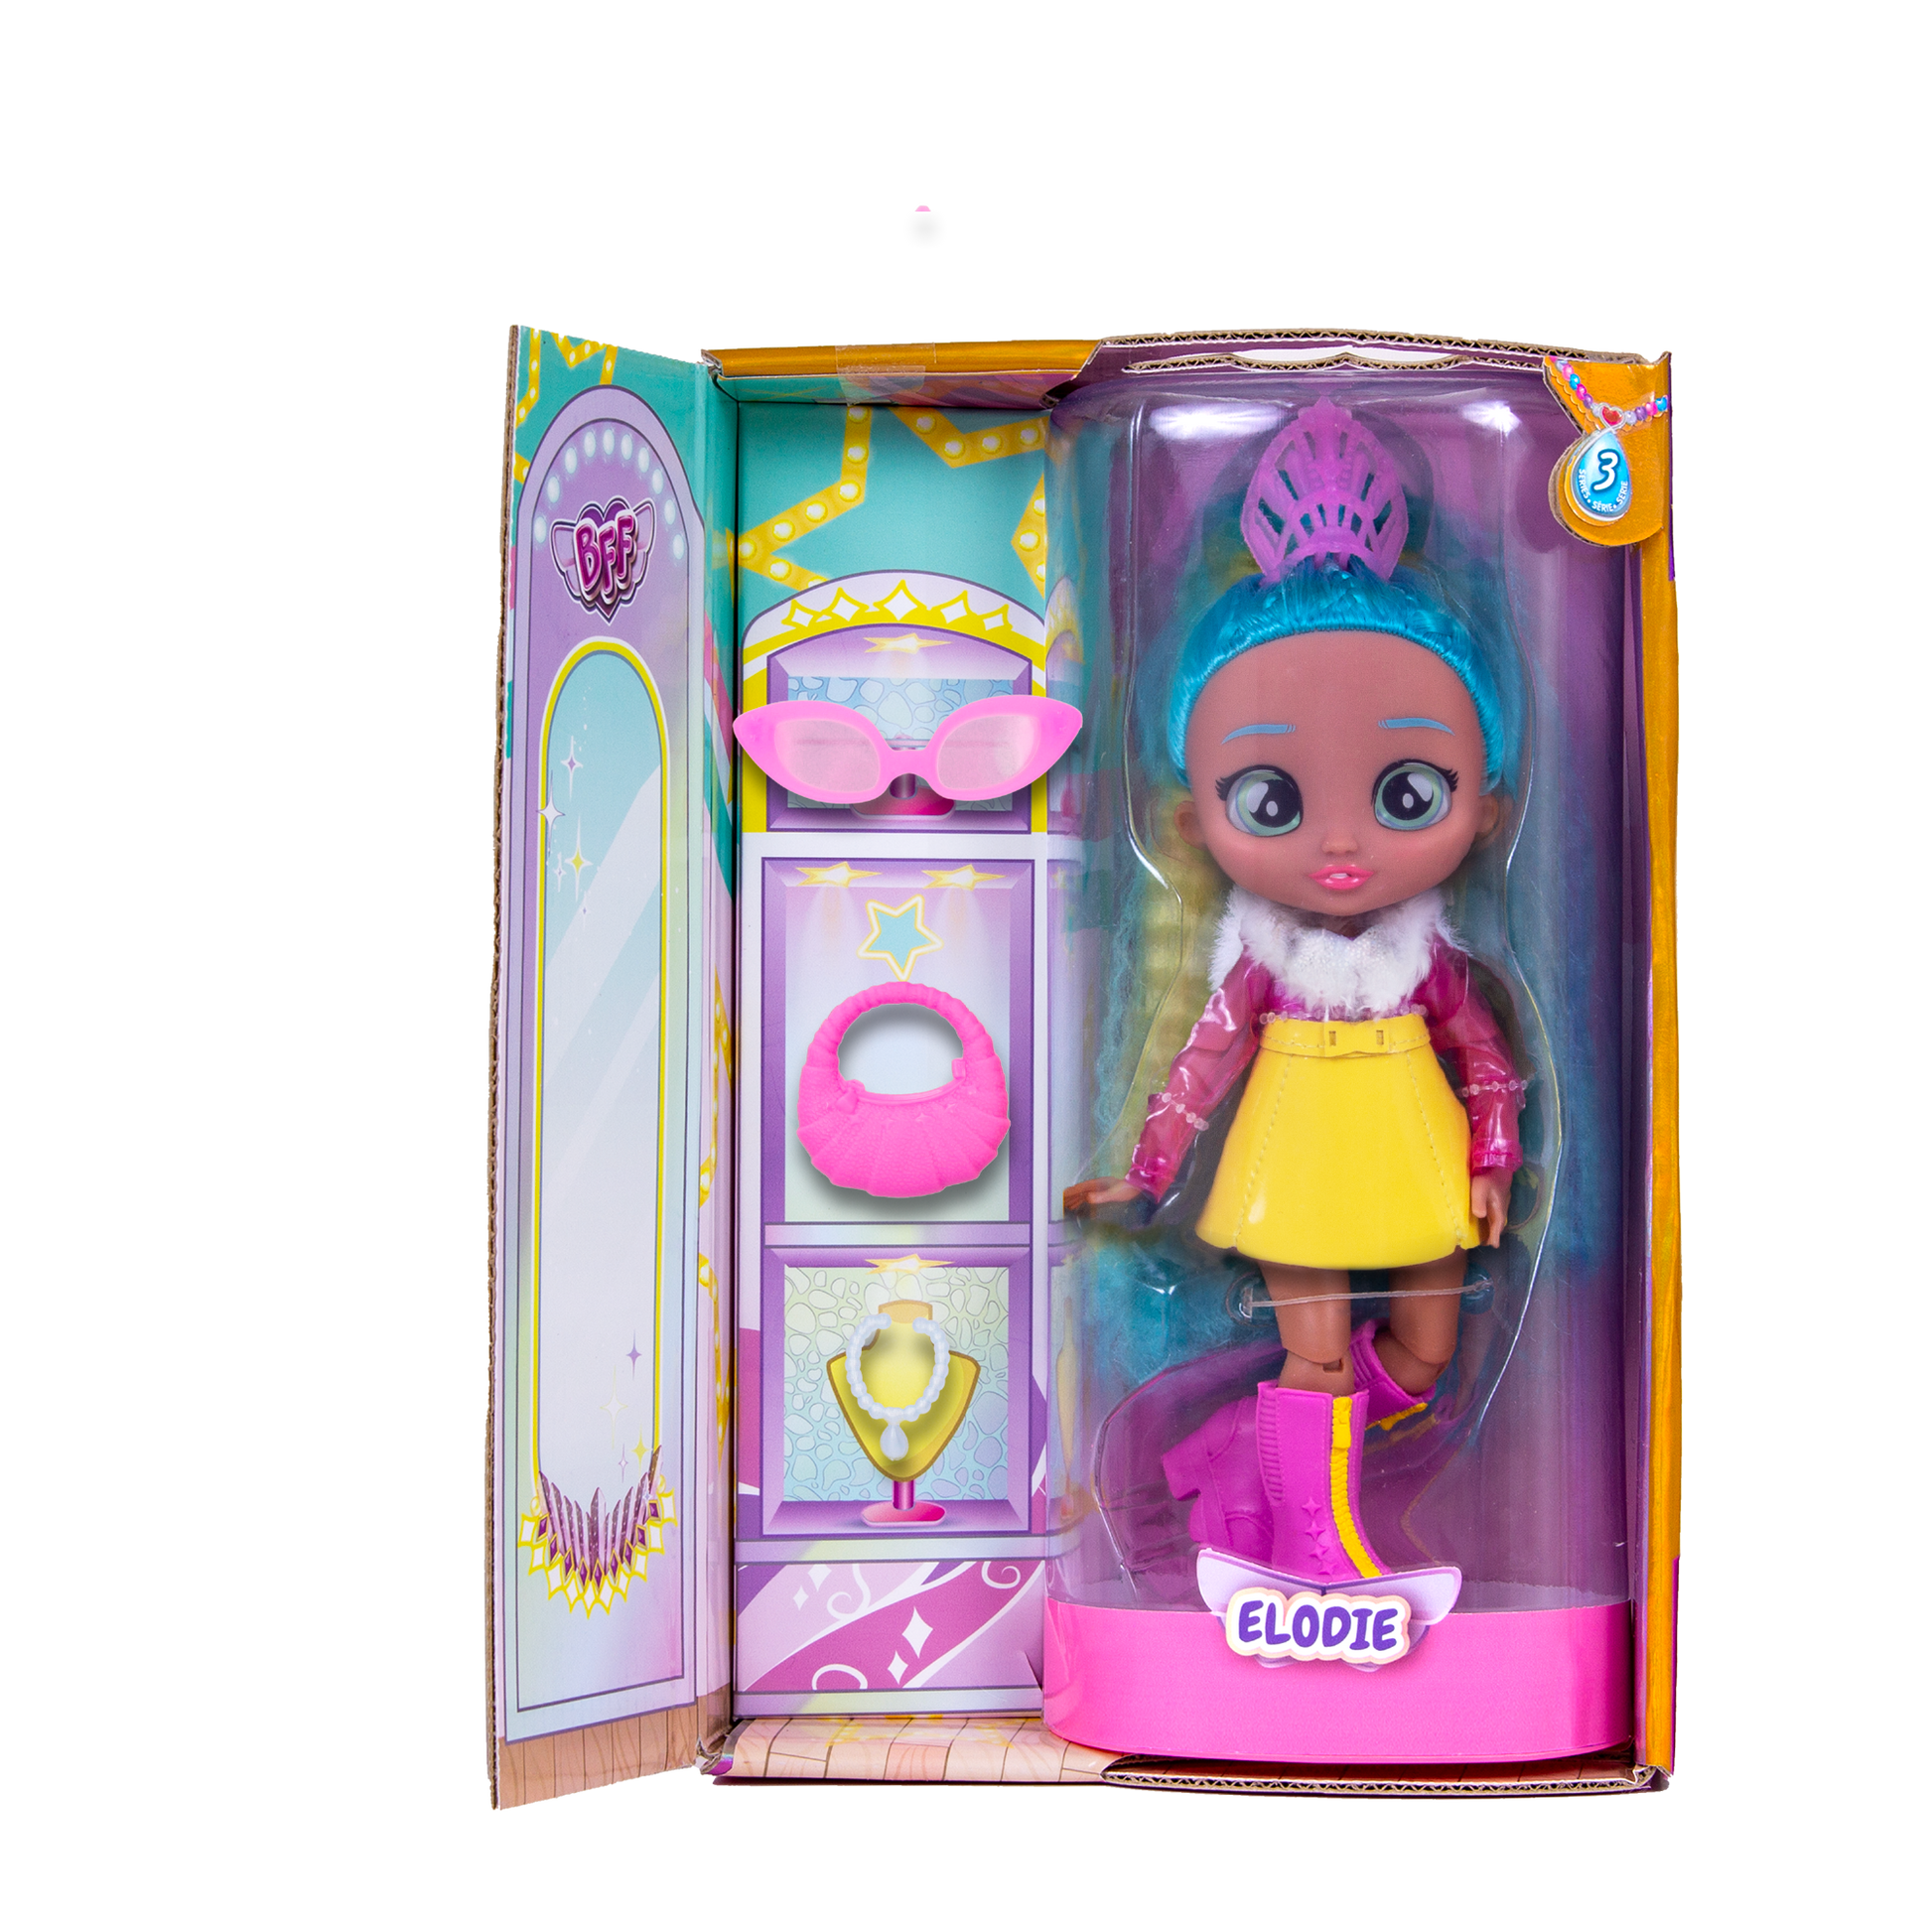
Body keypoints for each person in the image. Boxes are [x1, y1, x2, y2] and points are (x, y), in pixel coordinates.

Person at [1064, 399, 1526, 1593]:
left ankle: (1239, 1450)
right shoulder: (1263, 959)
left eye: (1406, 791)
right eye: (1269, 798)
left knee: (1421, 1354)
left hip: (1411, 1157)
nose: (1338, 841)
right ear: (1193, 816)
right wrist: (1148, 1171)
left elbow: (1483, 1053)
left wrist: (1491, 1155)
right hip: (1294, 1157)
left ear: (1482, 808)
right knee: (1314, 1358)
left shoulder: (1426, 957)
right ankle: (1312, 1543)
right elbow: (1202, 1062)